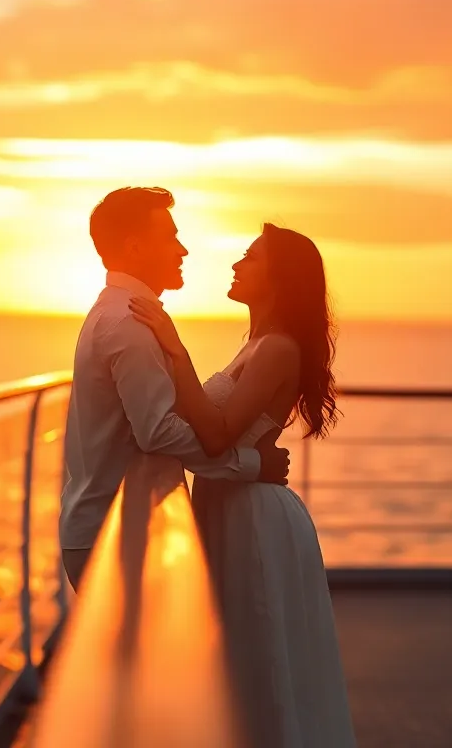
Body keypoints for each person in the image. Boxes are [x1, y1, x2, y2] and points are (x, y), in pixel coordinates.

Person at [130, 222, 358, 748]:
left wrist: (173, 348)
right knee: (231, 656)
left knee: (261, 660)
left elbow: (216, 435)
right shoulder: (253, 344)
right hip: (228, 503)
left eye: (249, 258)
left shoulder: (277, 348)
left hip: (254, 515)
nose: (236, 265)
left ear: (278, 277)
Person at [58, 187, 291, 590]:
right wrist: (252, 465)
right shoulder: (128, 323)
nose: (182, 250)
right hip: (115, 535)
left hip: (119, 528)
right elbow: (158, 432)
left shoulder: (123, 313)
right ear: (134, 247)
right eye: (169, 237)